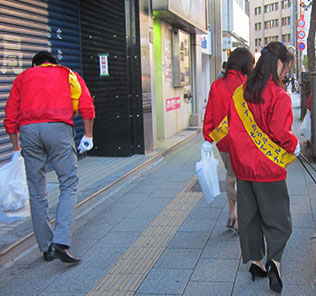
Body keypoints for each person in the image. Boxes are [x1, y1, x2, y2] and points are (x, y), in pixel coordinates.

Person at [4, 51, 95, 263]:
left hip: (28, 131)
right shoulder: (68, 74)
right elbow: (86, 105)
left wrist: (16, 148)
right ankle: (61, 243)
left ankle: (46, 247)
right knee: (69, 183)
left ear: (35, 64)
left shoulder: (23, 77)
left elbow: (10, 115)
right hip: (58, 129)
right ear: (54, 63)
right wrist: (88, 134)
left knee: (36, 189)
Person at [228, 42, 299, 293]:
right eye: (286, 68)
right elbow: (281, 133)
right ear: (278, 63)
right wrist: (294, 145)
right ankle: (274, 263)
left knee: (250, 217)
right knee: (278, 218)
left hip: (244, 169)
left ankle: (256, 262)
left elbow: (232, 130)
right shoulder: (279, 96)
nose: (285, 74)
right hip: (269, 170)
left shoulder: (241, 92)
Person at [203, 47, 255, 232]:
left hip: (223, 141)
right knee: (241, 178)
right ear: (247, 65)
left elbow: (209, 113)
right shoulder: (248, 85)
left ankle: (232, 211)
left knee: (230, 174)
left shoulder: (216, 85)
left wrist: (208, 137)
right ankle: (239, 217)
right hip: (244, 141)